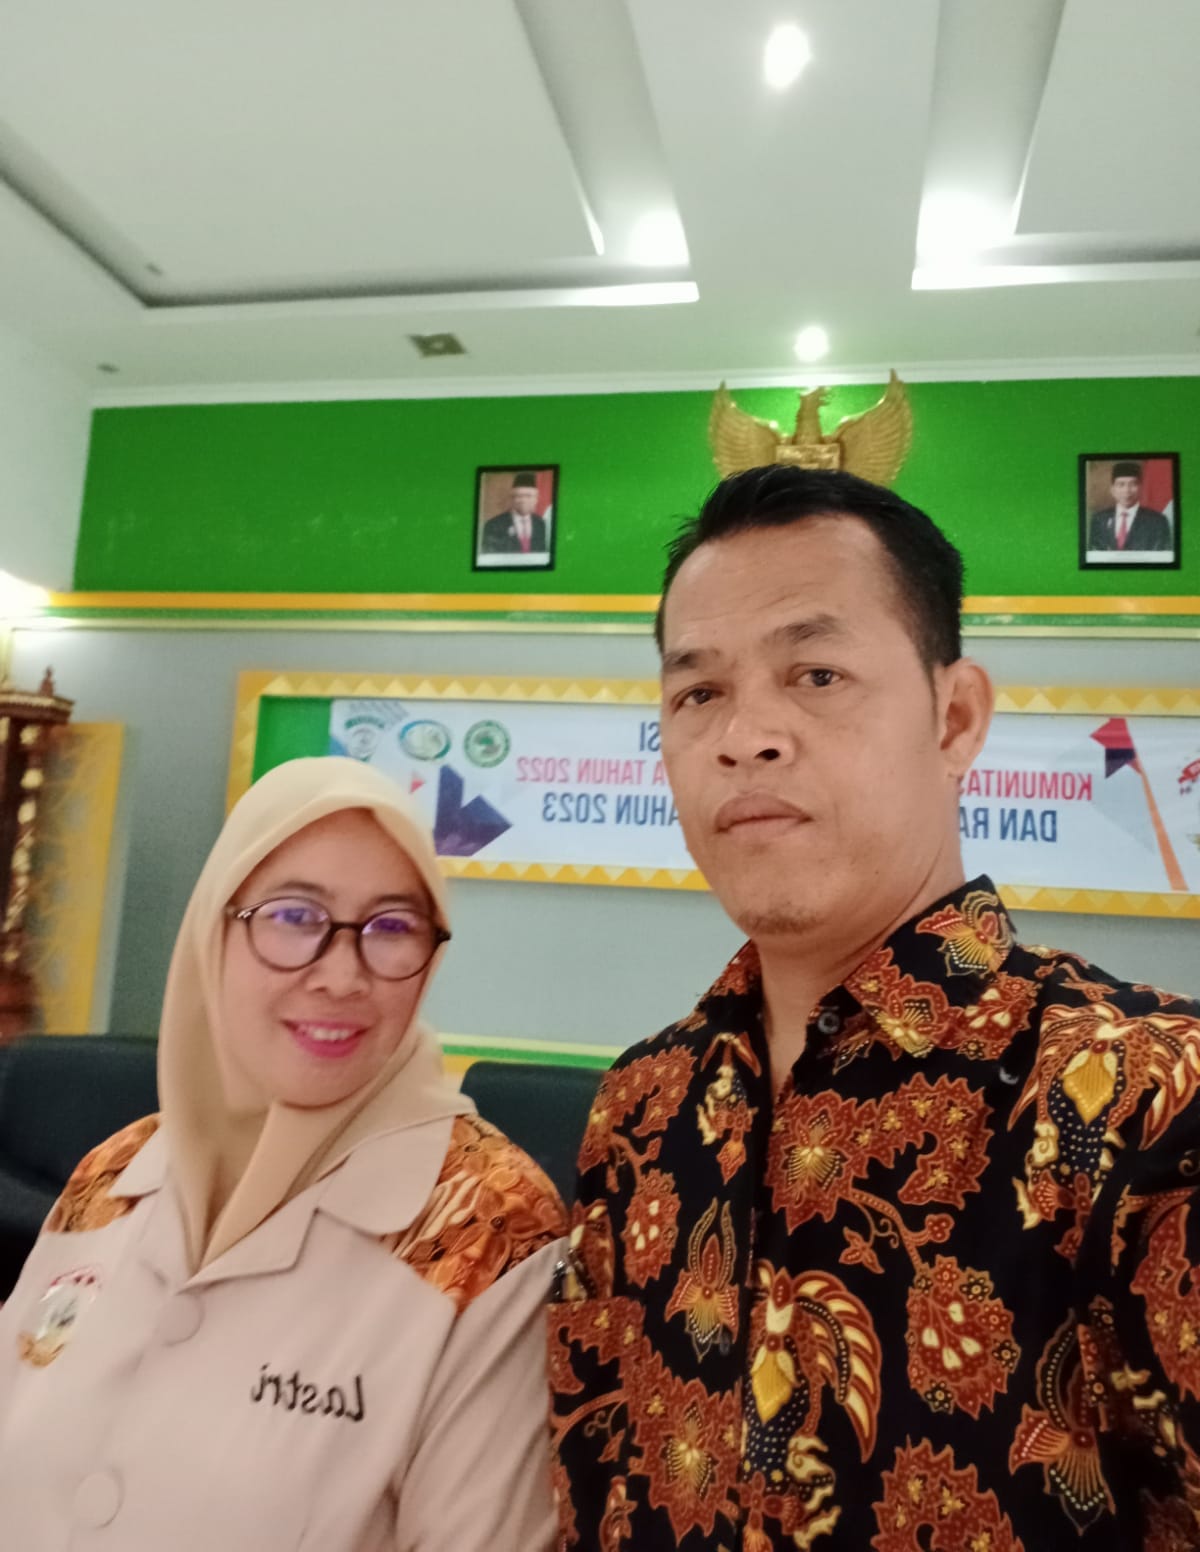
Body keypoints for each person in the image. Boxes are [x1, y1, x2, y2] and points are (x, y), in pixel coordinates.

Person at [549, 466, 1200, 1550]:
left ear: (955, 718)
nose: (745, 735)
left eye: (816, 673)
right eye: (698, 692)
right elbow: (589, 1487)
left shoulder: (1149, 1099)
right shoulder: (641, 1110)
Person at [0, 757, 566, 1550]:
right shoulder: (116, 1171)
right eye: (295, 917)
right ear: (214, 930)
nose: (341, 975)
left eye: (392, 928)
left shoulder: (488, 1224)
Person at [1088, 460, 1172, 552]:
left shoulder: (1157, 521)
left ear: (1140, 488)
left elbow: (1162, 555)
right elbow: (1094, 553)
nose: (1127, 490)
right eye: (1121, 484)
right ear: (1112, 490)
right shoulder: (1099, 520)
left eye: (1133, 484)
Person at [481, 472, 548, 555]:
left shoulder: (541, 523)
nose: (523, 500)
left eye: (528, 496)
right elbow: (490, 556)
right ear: (511, 499)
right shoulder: (494, 525)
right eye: (518, 496)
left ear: (536, 499)